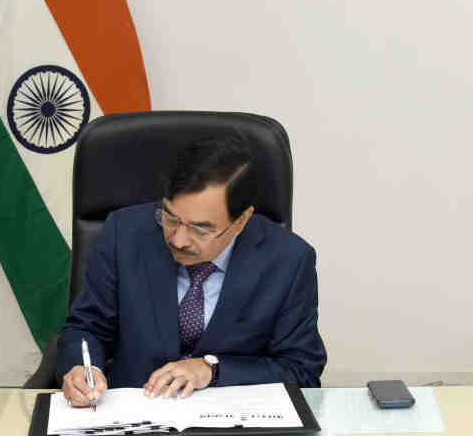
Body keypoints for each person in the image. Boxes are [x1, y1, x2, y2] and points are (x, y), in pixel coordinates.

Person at [57, 133, 326, 407]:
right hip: (133, 416)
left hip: (231, 420)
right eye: (170, 217)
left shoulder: (289, 260)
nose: (178, 240)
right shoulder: (123, 233)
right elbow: (87, 326)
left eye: (201, 228)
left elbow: (300, 370)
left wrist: (213, 370)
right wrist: (81, 368)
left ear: (241, 220)